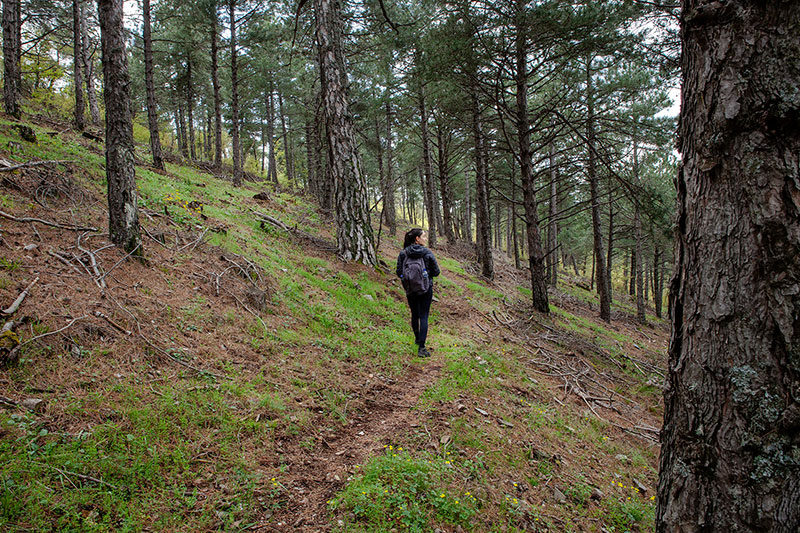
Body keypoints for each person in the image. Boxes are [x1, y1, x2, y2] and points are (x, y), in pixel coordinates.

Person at [396, 229, 440, 357]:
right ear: (417, 238)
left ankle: (417, 339)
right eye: (423, 236)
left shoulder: (403, 253)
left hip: (410, 289)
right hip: (426, 288)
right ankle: (422, 348)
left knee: (414, 314)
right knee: (424, 316)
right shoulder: (427, 252)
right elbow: (436, 272)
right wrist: (426, 277)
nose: (425, 239)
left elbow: (399, 272)